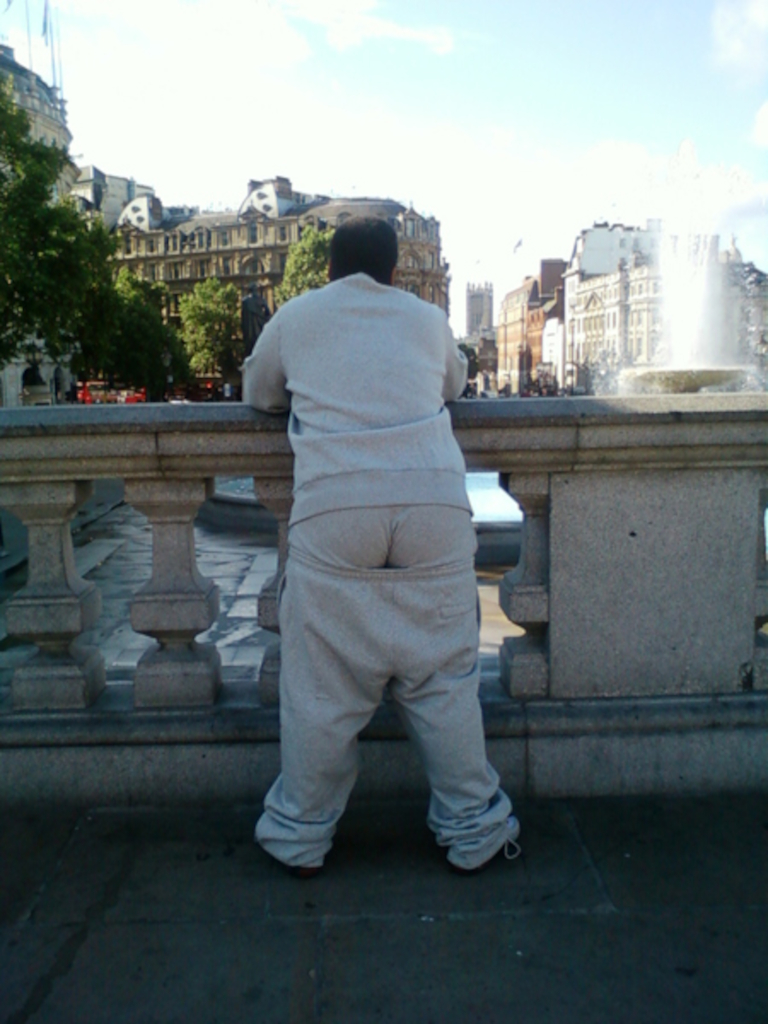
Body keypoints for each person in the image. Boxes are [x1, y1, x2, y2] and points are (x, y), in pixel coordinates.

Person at [242, 217, 519, 876]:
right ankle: (475, 828)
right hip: (434, 507)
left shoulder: (298, 315)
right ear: (395, 270)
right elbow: (452, 385)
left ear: (330, 268)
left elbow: (259, 392)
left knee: (320, 692)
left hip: (336, 509)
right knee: (446, 684)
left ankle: (299, 834)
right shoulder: (426, 319)